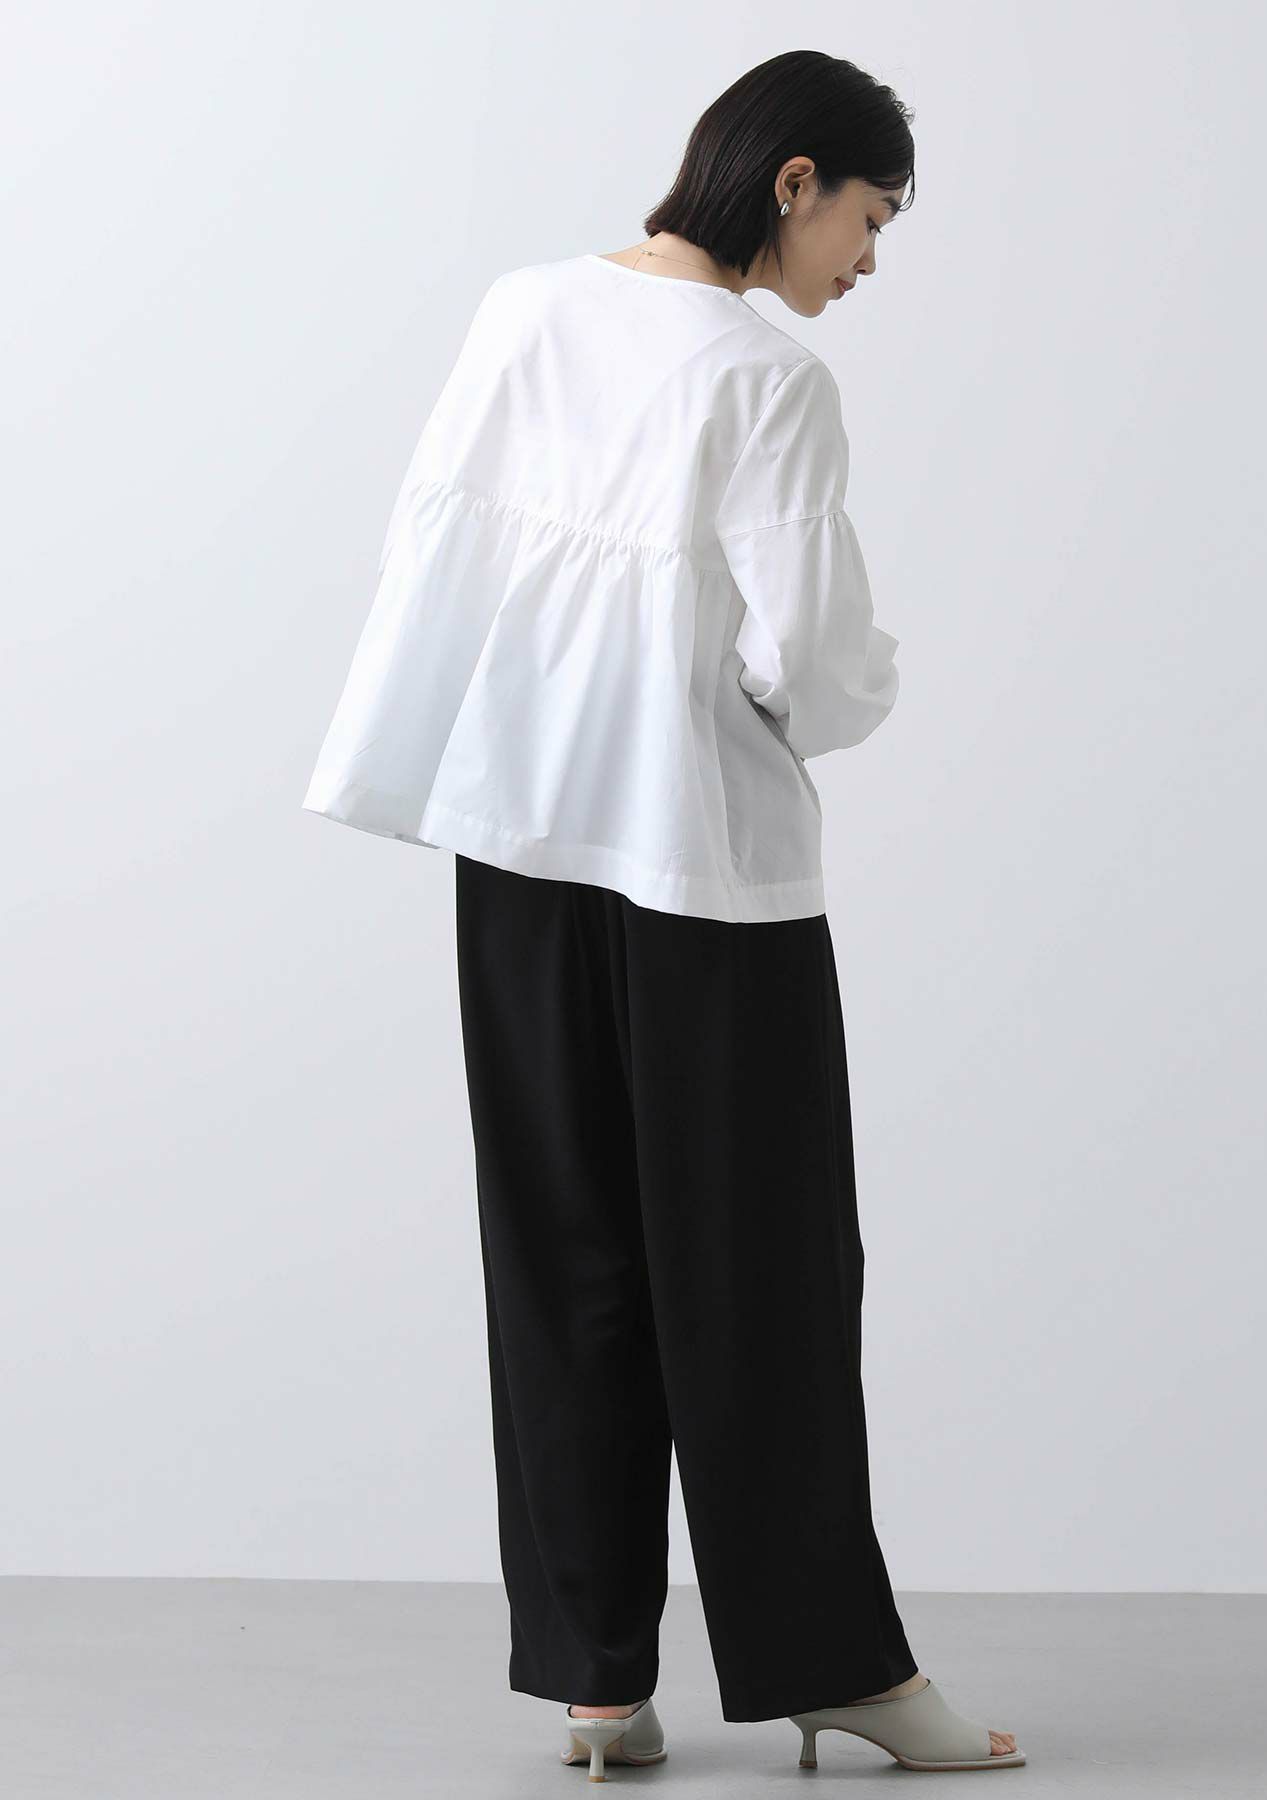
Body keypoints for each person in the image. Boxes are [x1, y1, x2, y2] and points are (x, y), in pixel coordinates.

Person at [302, 47, 1024, 1777]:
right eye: (870, 218)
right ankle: (834, 1665)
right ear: (794, 183)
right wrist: (834, 687)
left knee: (563, 1254)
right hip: (706, 868)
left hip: (517, 843)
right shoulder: (769, 379)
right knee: (764, 1273)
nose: (869, 260)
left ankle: (596, 1681)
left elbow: (438, 551)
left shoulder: (525, 307)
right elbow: (818, 664)